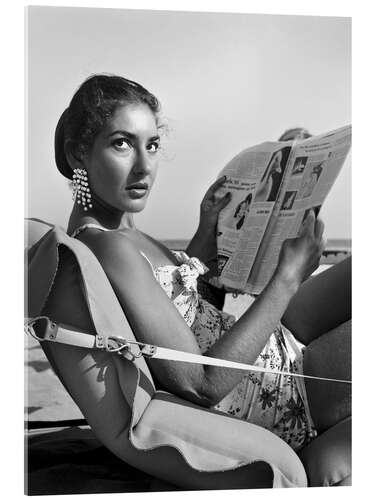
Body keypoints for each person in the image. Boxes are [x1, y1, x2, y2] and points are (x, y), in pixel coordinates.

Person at [41, 74, 351, 460]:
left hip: (266, 348)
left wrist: (206, 235)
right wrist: (286, 278)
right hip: (282, 392)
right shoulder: (107, 246)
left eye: (152, 145)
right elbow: (201, 382)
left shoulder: (119, 235)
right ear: (77, 154)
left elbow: (187, 317)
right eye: (122, 144)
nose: (144, 166)